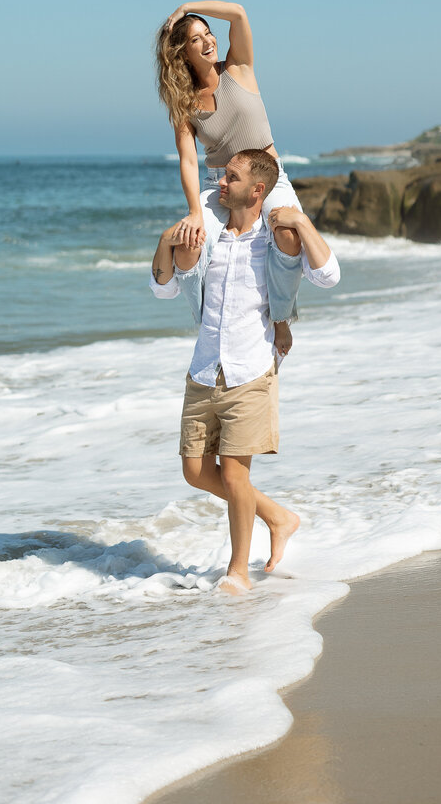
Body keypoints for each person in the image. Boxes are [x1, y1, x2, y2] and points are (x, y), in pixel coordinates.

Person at [149, 148, 340, 594]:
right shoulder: (208, 236)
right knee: (195, 472)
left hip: (250, 371)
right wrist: (166, 239)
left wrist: (303, 221)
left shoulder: (274, 242)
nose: (220, 183)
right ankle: (278, 517)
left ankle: (238, 572)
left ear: (257, 190)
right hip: (203, 369)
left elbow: (328, 276)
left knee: (235, 475)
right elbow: (163, 290)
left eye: (230, 177)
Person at [155, 0, 302, 357]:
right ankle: (207, 320)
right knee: (190, 243)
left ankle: (280, 316)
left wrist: (187, 6)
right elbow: (189, 161)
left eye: (208, 33)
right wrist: (194, 210)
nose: (208, 41)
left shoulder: (239, 68)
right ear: (183, 52)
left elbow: (238, 13)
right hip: (220, 183)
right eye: (195, 39)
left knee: (287, 234)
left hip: (268, 174)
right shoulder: (184, 101)